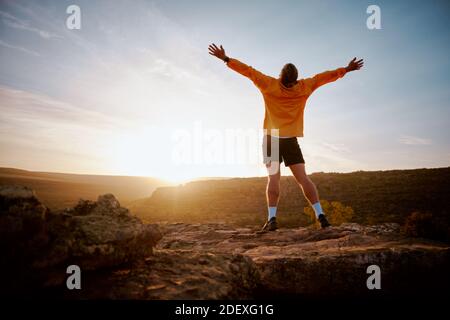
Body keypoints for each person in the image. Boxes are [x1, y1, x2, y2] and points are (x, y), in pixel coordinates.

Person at [208, 43, 363, 231]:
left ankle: (272, 219)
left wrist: (226, 59)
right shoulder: (304, 88)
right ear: (296, 78)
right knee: (303, 179)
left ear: (281, 75)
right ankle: (321, 215)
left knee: (273, 179)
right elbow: (325, 77)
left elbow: (248, 71)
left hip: (271, 138)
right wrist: (346, 69)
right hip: (290, 139)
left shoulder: (269, 84)